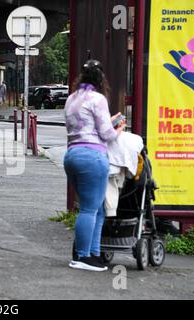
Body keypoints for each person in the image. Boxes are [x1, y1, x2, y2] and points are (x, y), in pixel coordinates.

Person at [63, 60, 126, 272]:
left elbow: (84, 125)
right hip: (92, 156)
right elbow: (106, 134)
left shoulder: (72, 98)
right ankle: (81, 256)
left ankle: (94, 254)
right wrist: (118, 129)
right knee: (90, 209)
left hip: (72, 155)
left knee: (97, 208)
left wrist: (109, 120)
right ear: (100, 79)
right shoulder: (98, 98)